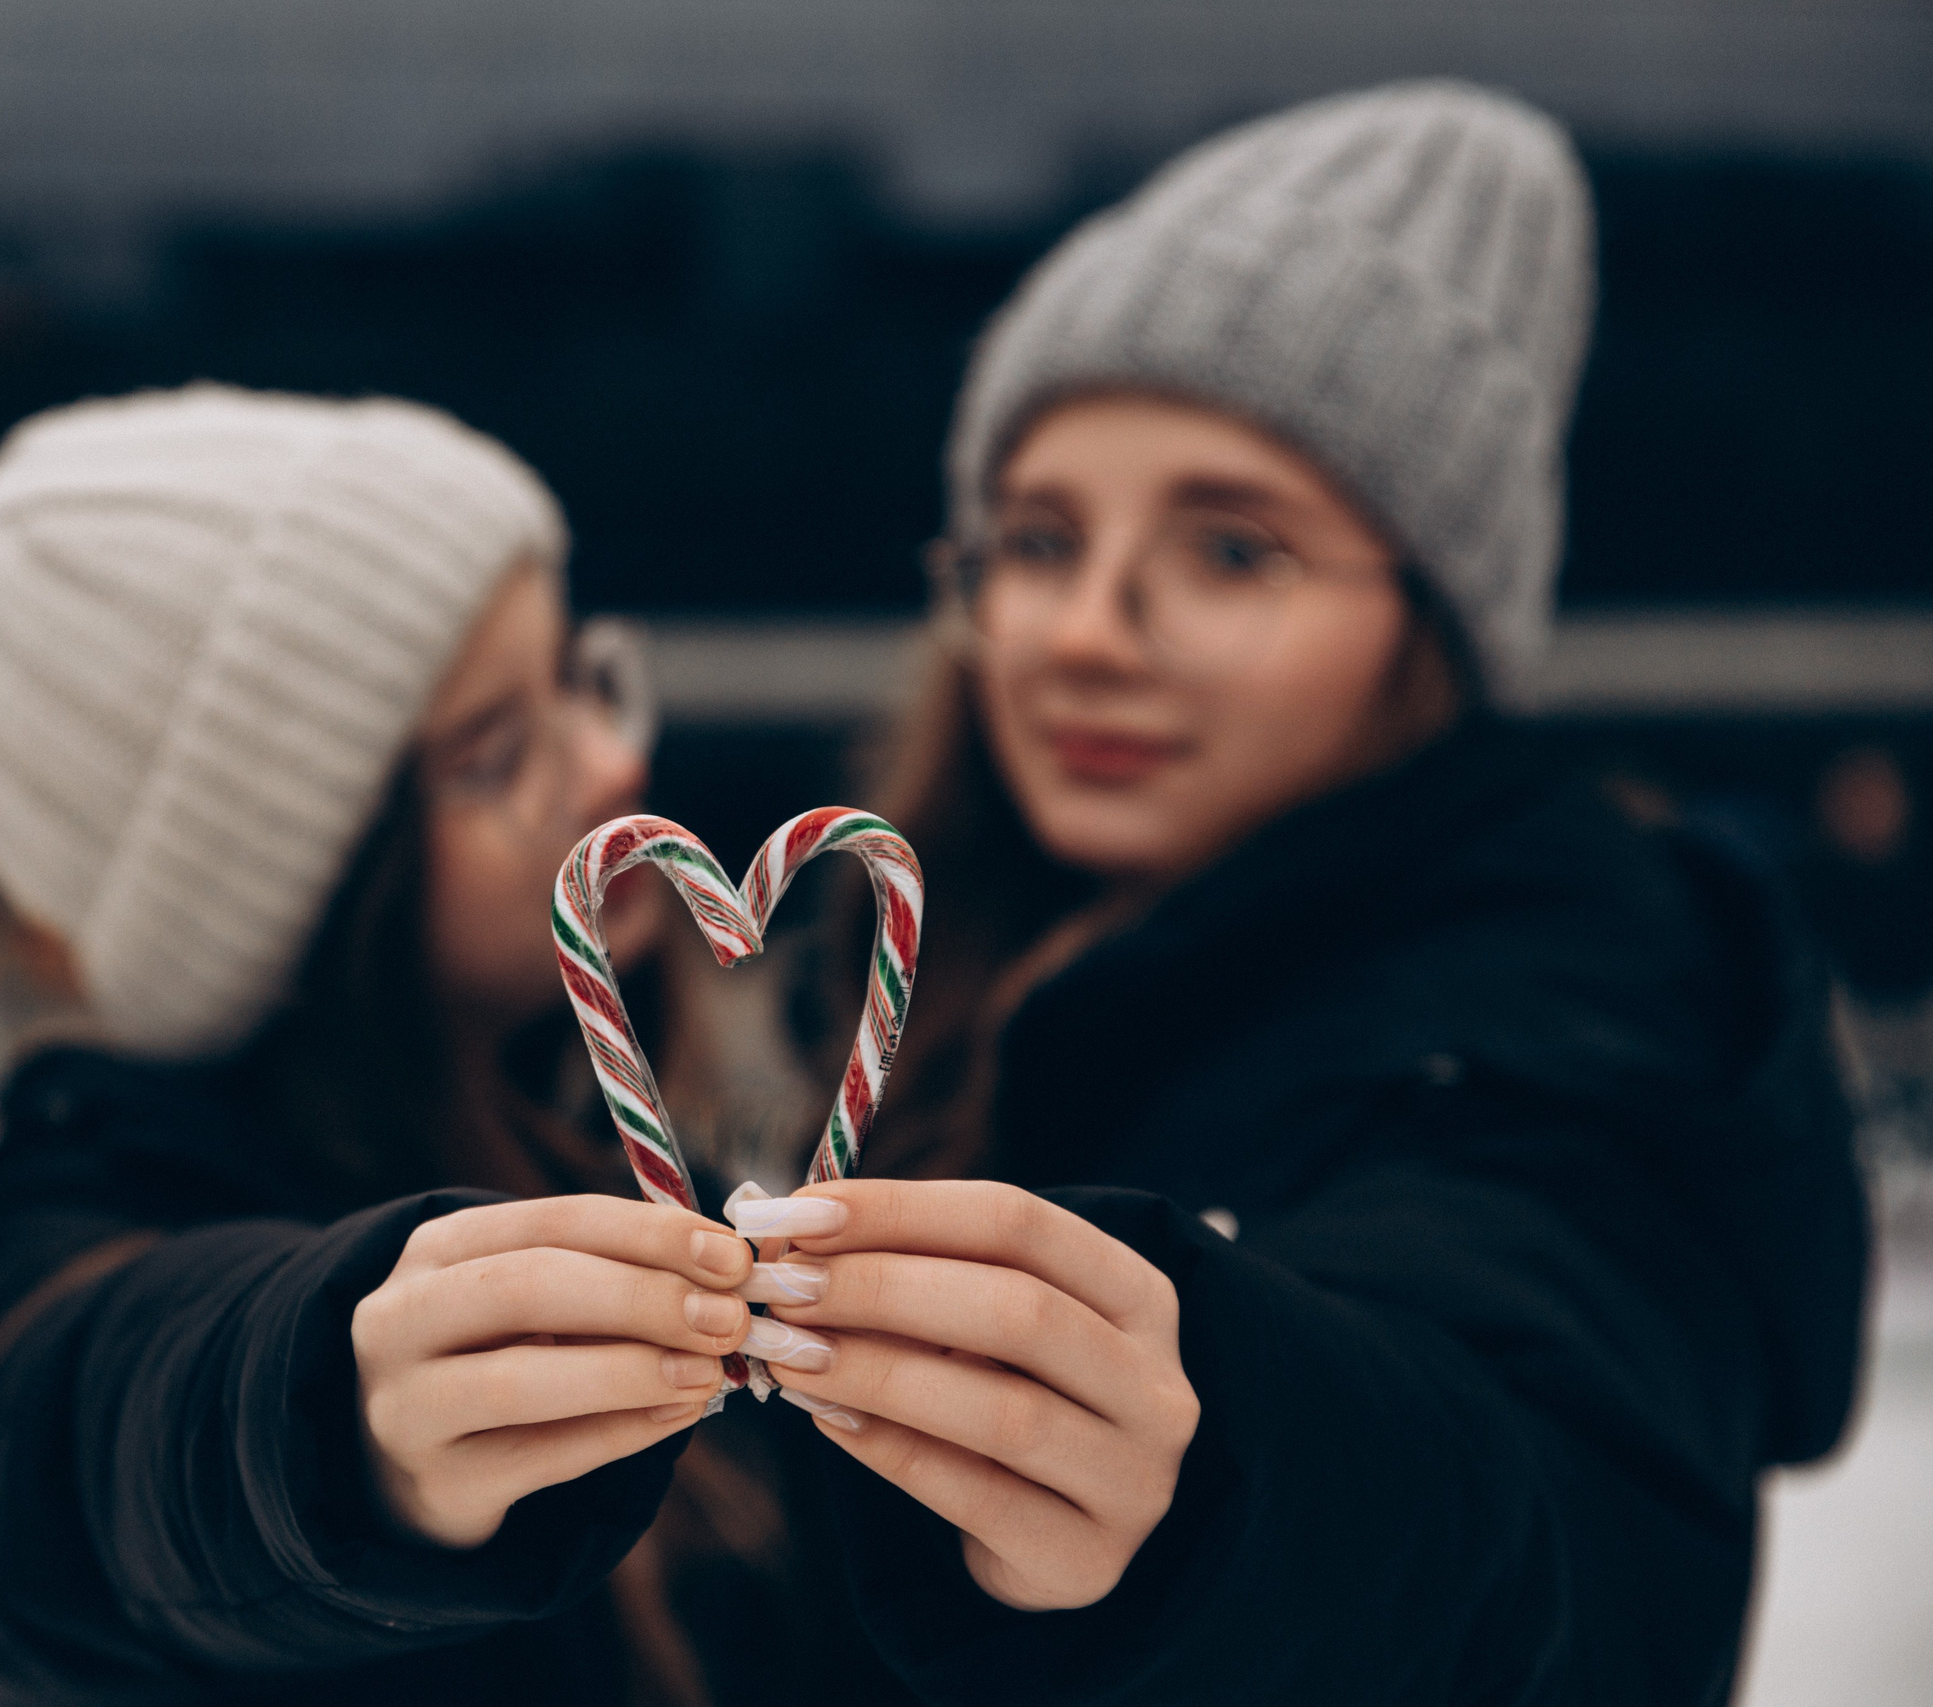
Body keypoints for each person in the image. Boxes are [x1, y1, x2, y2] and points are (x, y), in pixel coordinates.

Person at [732, 80, 1870, 1703]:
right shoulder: (960, 955)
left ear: (1434, 624)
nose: (1086, 632)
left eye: (1232, 551)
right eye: (1040, 540)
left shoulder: (1575, 1010)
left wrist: (1222, 1472)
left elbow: (1535, 1513)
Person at [0, 385, 826, 1706]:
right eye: (491, 756)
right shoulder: (30, 1222)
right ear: (300, 888)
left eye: (581, 679)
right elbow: (87, 1444)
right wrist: (335, 1428)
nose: (605, 766)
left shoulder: (601, 1125)